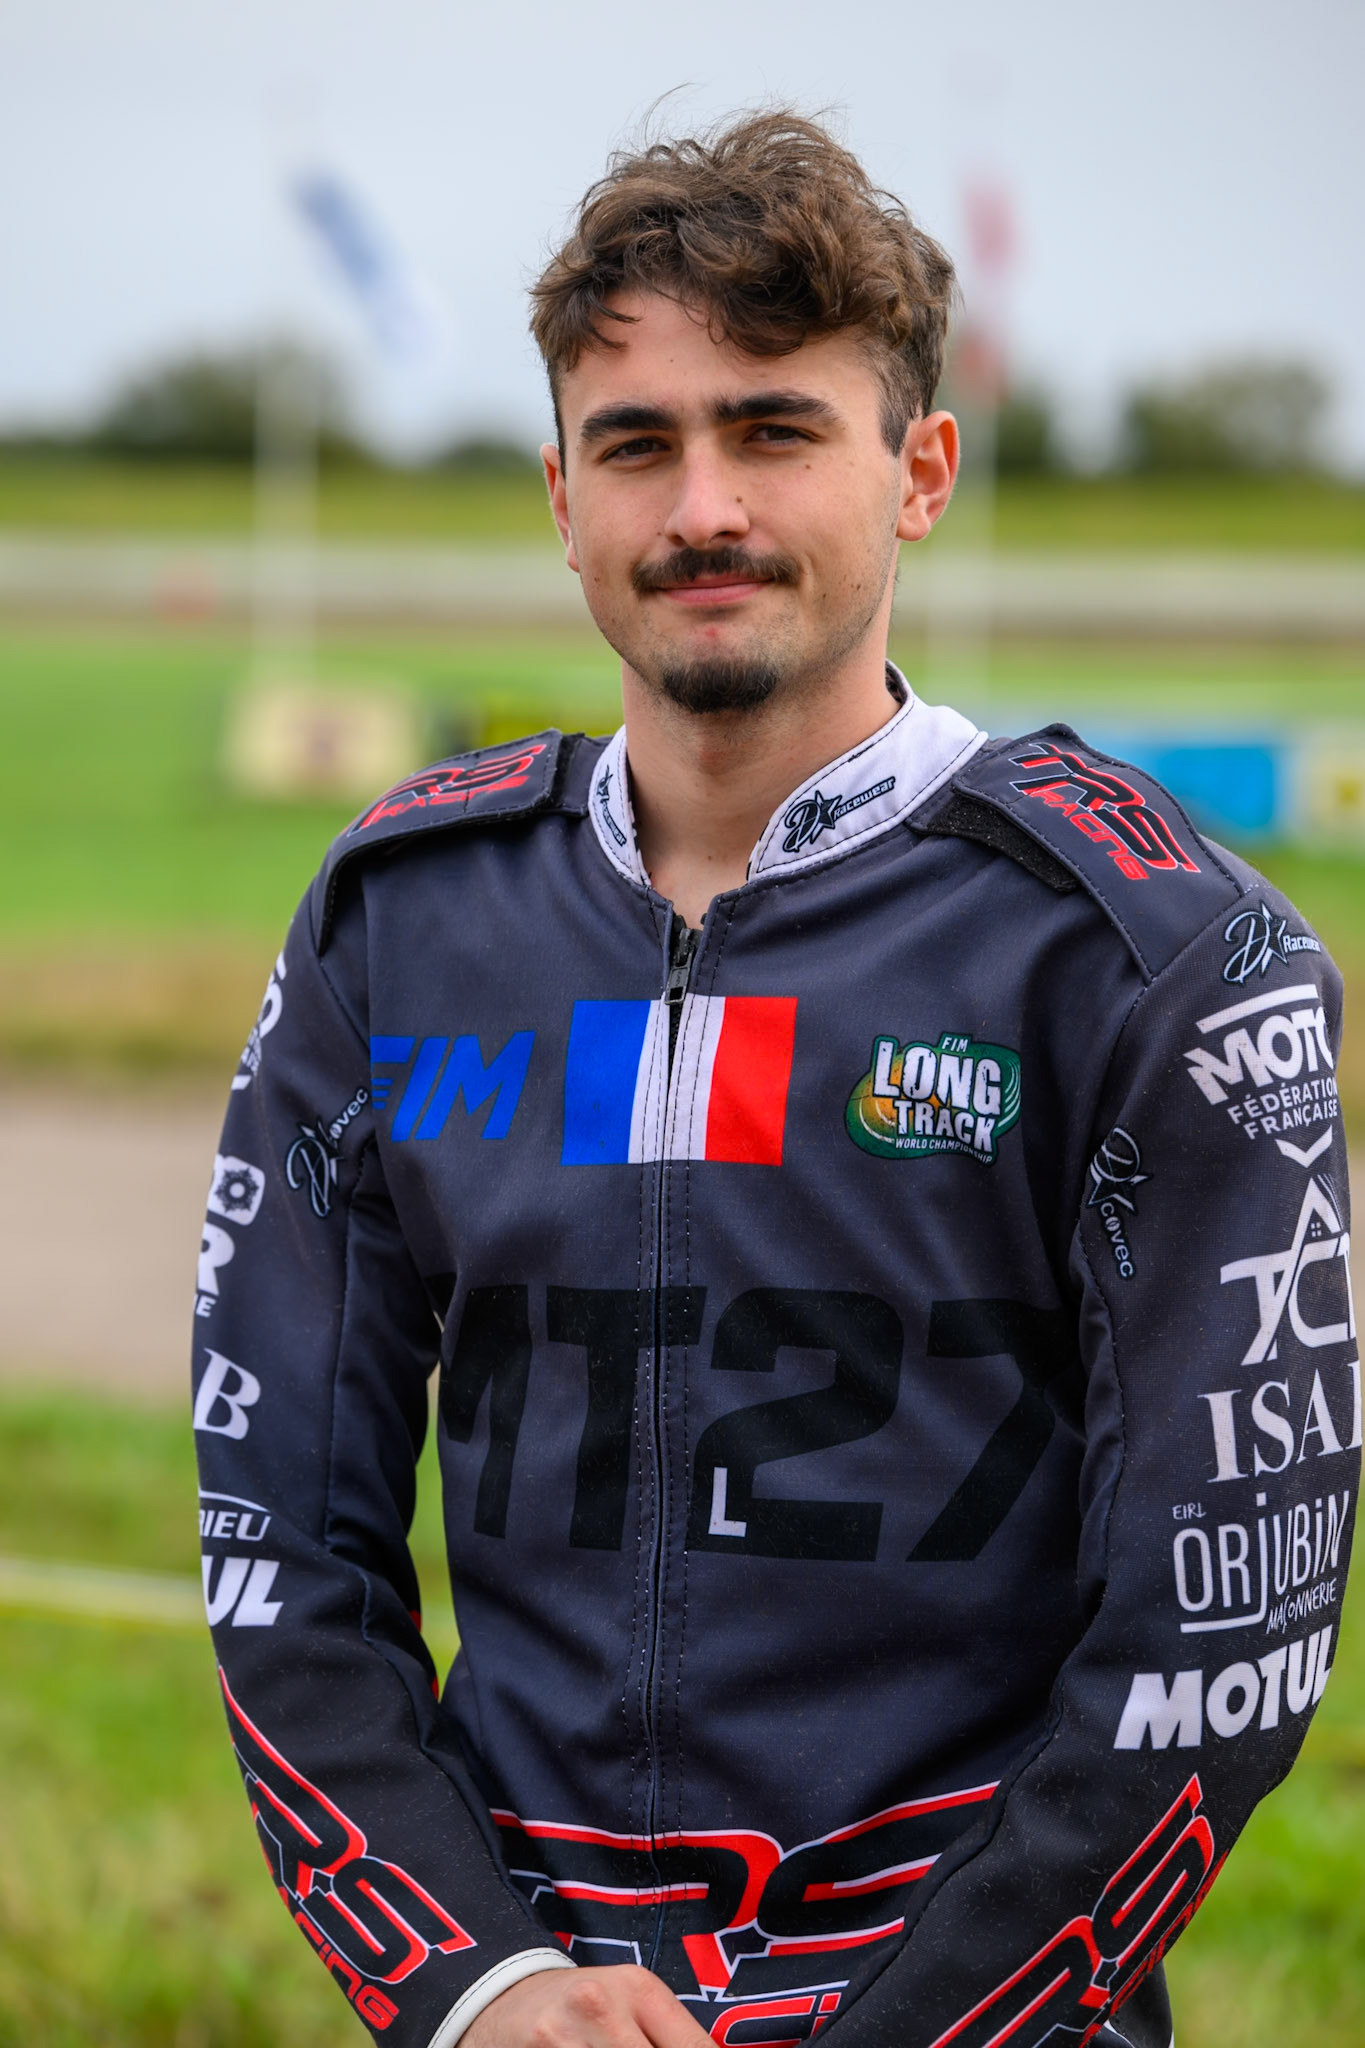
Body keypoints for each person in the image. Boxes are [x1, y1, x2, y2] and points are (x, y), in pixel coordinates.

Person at [193, 111, 1357, 2048]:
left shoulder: (1151, 949)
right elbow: (276, 1547)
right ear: (558, 490)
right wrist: (473, 1983)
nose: (699, 505)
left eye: (773, 429)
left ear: (917, 473)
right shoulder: (398, 916)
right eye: (636, 442)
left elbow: (1215, 1633)